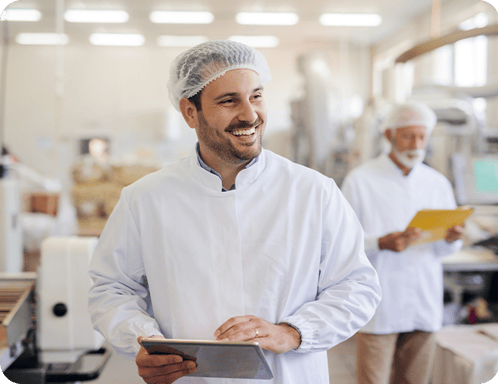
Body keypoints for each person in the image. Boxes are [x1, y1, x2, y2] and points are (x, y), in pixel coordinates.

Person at [88, 40, 382, 384]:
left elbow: (357, 285)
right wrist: (142, 339)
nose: (250, 114)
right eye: (229, 101)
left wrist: (294, 332)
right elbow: (112, 288)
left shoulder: (313, 192)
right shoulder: (146, 199)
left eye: (256, 96)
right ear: (189, 112)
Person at [341, 101, 465, 384]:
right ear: (389, 136)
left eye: (422, 137)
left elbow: (443, 250)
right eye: (409, 136)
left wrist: (452, 238)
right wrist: (379, 243)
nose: (416, 144)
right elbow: (340, 244)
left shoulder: (437, 183)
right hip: (379, 304)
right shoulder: (360, 180)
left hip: (424, 300)